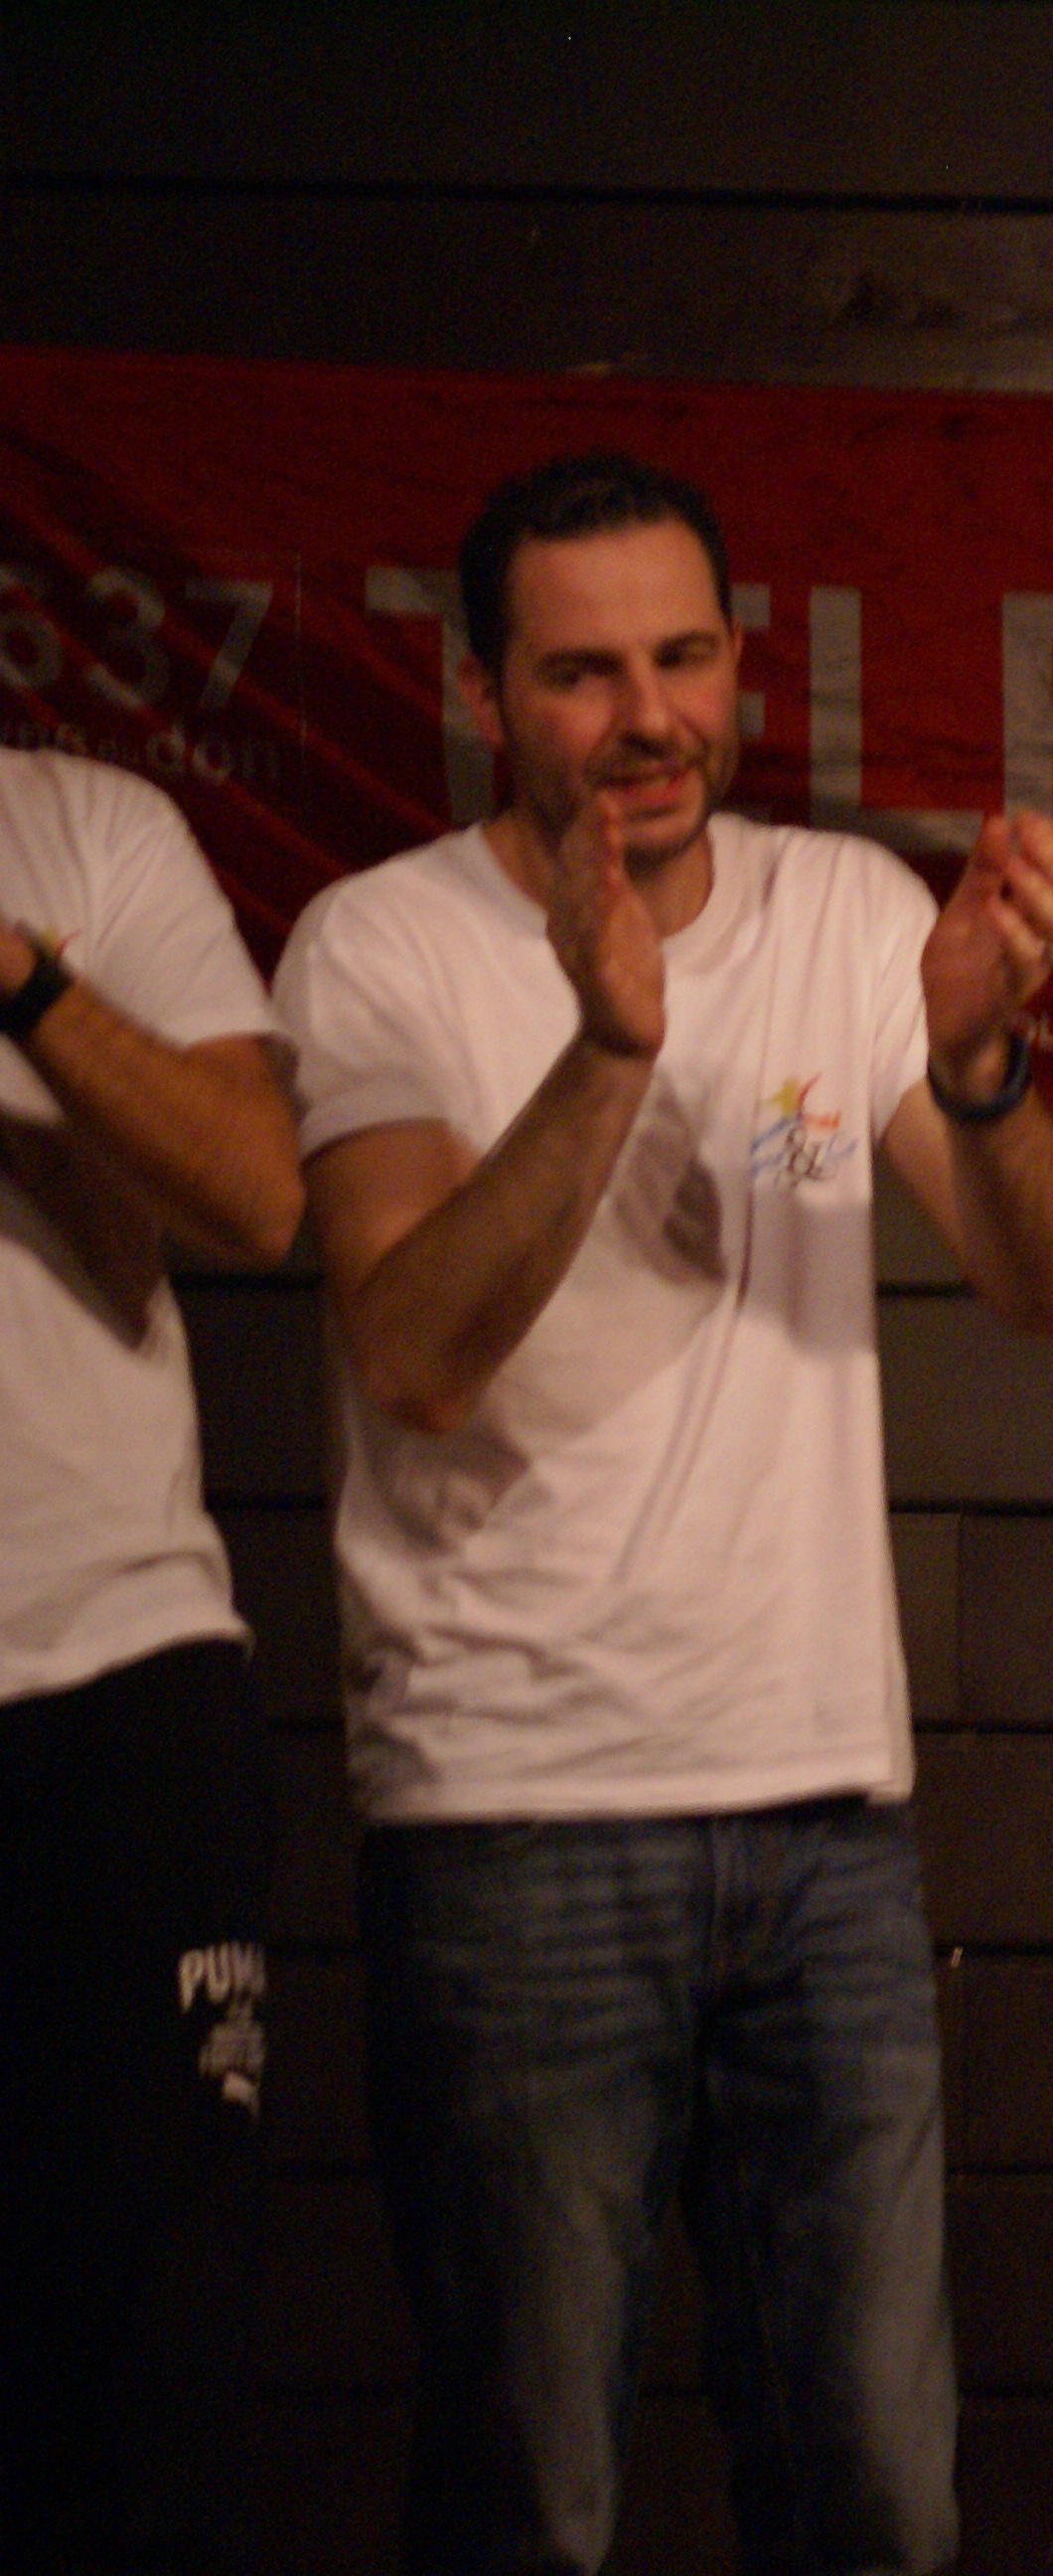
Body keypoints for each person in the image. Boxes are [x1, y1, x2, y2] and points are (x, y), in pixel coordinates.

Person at [275, 451, 1053, 2576]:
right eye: (582, 673)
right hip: (515, 1818)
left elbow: (1046, 1288)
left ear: (740, 659)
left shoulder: (847, 912)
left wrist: (984, 1066)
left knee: (880, 2498)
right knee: (532, 2502)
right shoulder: (379, 941)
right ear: (484, 694)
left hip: (826, 1820)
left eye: (684, 656)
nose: (648, 716)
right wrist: (609, 1048)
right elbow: (415, 1352)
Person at [1, 751, 302, 2573]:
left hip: (115, 1678)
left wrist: (23, 981)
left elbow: (256, 1192)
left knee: (146, 2387)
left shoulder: (87, 830)